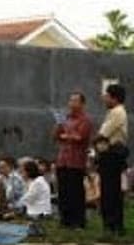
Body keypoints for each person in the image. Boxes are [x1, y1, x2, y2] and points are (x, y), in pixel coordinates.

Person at [54, 92, 93, 228]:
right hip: (62, 159)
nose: (71, 104)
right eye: (70, 101)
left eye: (75, 101)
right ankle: (65, 220)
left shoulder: (85, 120)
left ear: (82, 104)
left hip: (76, 161)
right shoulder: (65, 119)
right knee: (63, 191)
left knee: (75, 192)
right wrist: (59, 126)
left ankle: (78, 221)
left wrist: (66, 135)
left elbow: (79, 137)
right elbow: (56, 136)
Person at [96, 84, 129, 235]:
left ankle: (113, 224)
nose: (104, 99)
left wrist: (94, 142)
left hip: (112, 154)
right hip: (110, 154)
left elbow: (103, 134)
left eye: (107, 96)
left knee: (110, 191)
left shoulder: (117, 112)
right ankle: (112, 224)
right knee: (110, 190)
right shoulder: (114, 112)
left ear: (114, 98)